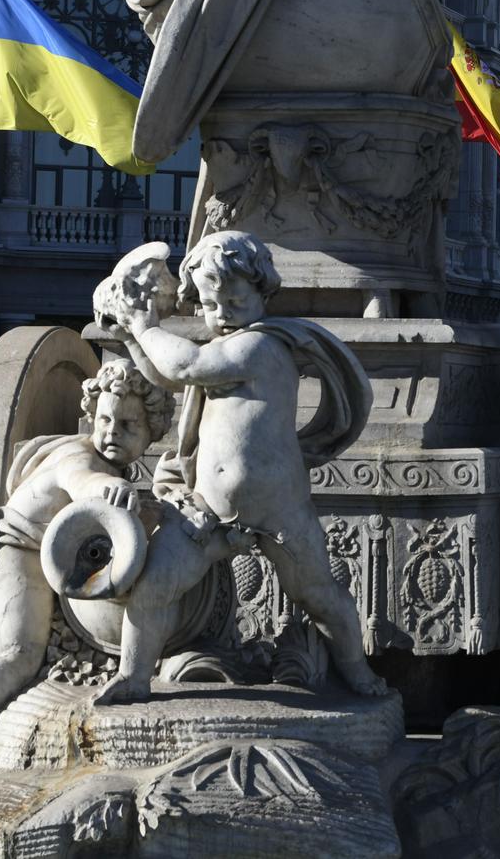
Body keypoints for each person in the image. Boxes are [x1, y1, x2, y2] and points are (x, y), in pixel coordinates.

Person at [110, 231, 383, 703]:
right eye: (211, 305)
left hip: (279, 511)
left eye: (235, 299)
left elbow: (187, 365)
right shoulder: (224, 350)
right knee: (154, 586)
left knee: (321, 597)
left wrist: (143, 326)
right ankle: (133, 678)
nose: (223, 312)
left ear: (263, 292)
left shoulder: (258, 347)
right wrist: (131, 337)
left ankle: (360, 675)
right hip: (207, 510)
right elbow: (164, 375)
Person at [0, 357, 174, 767]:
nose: (111, 432)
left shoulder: (93, 457)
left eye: (129, 426)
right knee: (21, 654)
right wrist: (112, 486)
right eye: (105, 419)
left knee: (24, 652)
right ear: (91, 415)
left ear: (153, 432)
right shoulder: (84, 459)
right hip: (10, 559)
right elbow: (83, 482)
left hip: (13, 560)